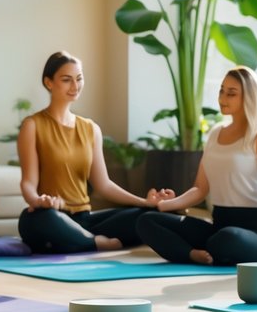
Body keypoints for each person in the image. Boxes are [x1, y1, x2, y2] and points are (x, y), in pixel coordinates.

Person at [137, 66, 257, 265]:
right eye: (221, 90)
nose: (223, 98)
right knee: (147, 221)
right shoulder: (215, 134)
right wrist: (164, 205)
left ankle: (199, 250)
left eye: (231, 93)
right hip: (219, 226)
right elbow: (200, 188)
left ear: (249, 97)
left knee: (228, 238)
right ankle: (192, 254)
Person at [17, 51, 174, 253]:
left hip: (85, 220)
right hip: (52, 216)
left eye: (79, 79)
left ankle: (82, 240)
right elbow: (28, 182)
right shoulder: (33, 126)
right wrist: (38, 201)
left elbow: (104, 185)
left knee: (149, 214)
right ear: (49, 83)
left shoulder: (91, 129)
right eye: (66, 80)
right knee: (31, 221)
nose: (75, 86)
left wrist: (144, 202)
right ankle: (94, 242)